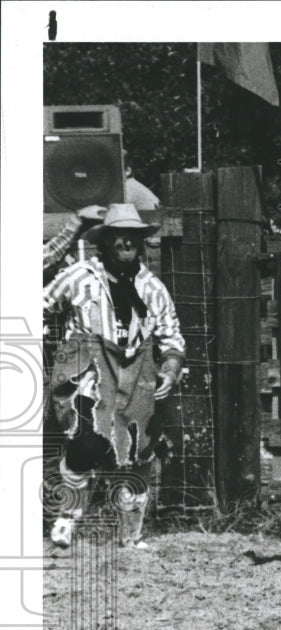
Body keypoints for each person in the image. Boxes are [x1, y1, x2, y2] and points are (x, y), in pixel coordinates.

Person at [43, 204, 185, 550]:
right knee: (89, 437)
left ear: (141, 243)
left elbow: (172, 337)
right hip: (86, 364)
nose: (126, 242)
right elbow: (36, 299)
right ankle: (67, 513)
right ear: (104, 242)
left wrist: (169, 367)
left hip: (135, 369)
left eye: (133, 236)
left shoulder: (152, 288)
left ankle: (131, 536)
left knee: (137, 450)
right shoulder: (79, 276)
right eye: (118, 235)